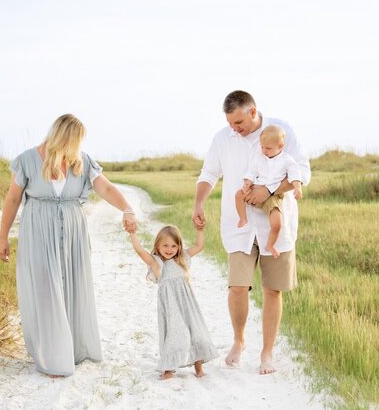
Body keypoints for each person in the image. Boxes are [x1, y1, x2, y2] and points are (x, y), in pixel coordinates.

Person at [0, 113, 138, 378]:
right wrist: (3, 237)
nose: (79, 146)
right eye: (76, 140)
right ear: (64, 137)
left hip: (73, 232)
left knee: (73, 285)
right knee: (46, 289)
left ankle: (73, 349)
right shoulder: (28, 160)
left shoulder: (81, 161)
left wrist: (127, 209)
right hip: (38, 231)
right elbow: (12, 199)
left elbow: (106, 189)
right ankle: (52, 356)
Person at [193, 90, 311, 375]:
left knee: (272, 290)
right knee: (237, 287)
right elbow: (209, 174)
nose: (235, 128)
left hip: (276, 223)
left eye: (239, 123)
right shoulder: (222, 138)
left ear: (253, 112)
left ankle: (267, 353)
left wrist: (268, 190)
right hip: (239, 224)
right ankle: (239, 340)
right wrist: (198, 202)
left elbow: (302, 173)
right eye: (231, 123)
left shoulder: (281, 131)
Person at [128, 224, 218, 380]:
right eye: (165, 245)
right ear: (158, 245)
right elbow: (140, 251)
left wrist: (200, 230)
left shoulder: (182, 258)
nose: (169, 249)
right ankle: (168, 368)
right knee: (175, 335)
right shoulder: (157, 263)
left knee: (195, 332)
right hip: (171, 308)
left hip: (187, 305)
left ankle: (198, 367)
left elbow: (199, 245)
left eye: (173, 246)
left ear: (179, 246)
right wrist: (133, 234)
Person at [235, 124, 303, 258]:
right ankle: (243, 218)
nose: (264, 151)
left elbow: (295, 174)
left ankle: (270, 245)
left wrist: (297, 187)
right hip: (256, 189)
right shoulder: (259, 158)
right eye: (262, 147)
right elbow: (251, 171)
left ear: (280, 146)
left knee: (277, 223)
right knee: (238, 195)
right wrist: (247, 183)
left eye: (268, 148)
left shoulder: (286, 160)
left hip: (272, 196)